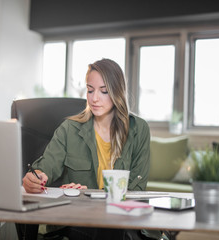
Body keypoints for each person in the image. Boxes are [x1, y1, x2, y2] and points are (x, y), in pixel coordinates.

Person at [22, 58, 167, 240]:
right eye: (90, 90)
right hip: (79, 221)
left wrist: (93, 197)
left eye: (104, 91)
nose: (94, 98)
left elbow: (136, 191)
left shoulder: (139, 130)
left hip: (123, 222)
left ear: (117, 92)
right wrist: (35, 178)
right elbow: (45, 168)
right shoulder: (69, 129)